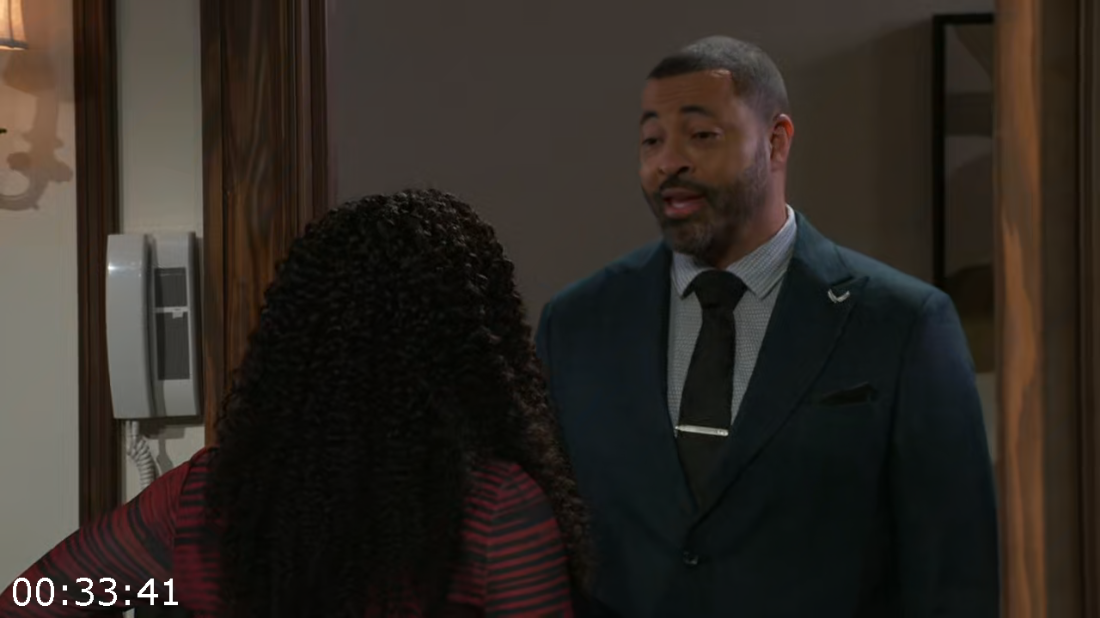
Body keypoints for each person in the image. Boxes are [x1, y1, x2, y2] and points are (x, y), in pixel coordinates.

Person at [535, 35, 999, 617]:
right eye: (652, 140)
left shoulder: (904, 324)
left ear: (776, 141)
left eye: (701, 135)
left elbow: (956, 573)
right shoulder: (577, 324)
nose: (668, 162)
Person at [2, 189, 591, 617]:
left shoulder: (204, 497)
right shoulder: (497, 509)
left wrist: (171, 583)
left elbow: (37, 601)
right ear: (475, 348)